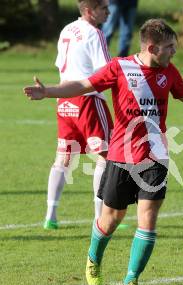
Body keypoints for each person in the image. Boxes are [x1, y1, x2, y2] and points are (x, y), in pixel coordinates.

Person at [24, 19, 183, 285]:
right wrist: (49, 92)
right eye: (169, 47)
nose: (174, 52)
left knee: (147, 217)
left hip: (155, 156)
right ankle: (93, 258)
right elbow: (83, 85)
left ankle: (131, 281)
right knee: (110, 219)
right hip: (121, 156)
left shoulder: (169, 72)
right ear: (152, 47)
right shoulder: (119, 67)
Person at [43, 0, 113, 230]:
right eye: (104, 8)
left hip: (64, 99)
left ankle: (50, 216)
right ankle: (100, 216)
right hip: (88, 99)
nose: (108, 11)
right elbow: (107, 70)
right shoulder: (95, 33)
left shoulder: (67, 29)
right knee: (106, 156)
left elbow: (60, 65)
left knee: (63, 158)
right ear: (88, 11)